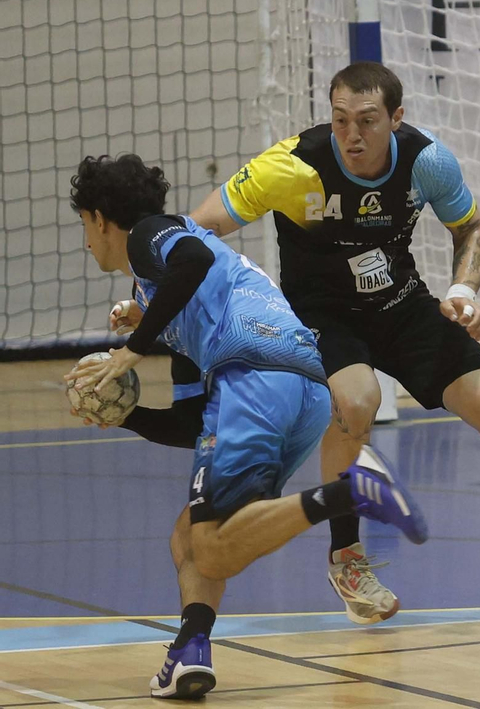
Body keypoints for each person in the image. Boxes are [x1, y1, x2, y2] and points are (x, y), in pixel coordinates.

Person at [188, 62, 480, 625]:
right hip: (321, 314)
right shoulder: (290, 166)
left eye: (368, 121)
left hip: (402, 305)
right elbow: (195, 233)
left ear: (396, 119)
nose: (353, 134)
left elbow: (471, 228)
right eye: (341, 119)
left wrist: (464, 290)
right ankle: (347, 556)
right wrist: (162, 302)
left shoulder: (428, 161)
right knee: (357, 402)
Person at [66, 154, 426, 700]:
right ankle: (191, 651)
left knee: (210, 549)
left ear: (98, 219)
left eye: (84, 226)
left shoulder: (151, 236)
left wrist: (132, 352)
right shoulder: (166, 297)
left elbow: (189, 262)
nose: (87, 239)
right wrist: (125, 417)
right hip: (304, 388)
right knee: (190, 534)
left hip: (254, 374)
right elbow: (192, 423)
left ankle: (348, 493)